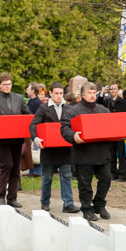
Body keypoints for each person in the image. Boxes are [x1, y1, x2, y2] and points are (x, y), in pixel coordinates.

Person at [61, 82, 114, 221]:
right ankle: (86, 208)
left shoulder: (103, 110)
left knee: (106, 179)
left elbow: (111, 126)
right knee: (85, 184)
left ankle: (99, 204)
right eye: (89, 92)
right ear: (82, 94)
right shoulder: (72, 110)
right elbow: (65, 128)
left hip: (102, 152)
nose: (92, 95)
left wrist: (121, 133)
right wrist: (73, 136)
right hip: (83, 153)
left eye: (94, 92)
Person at [0, 72, 30, 207]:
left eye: (9, 84)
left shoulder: (19, 98)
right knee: (6, 164)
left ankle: (12, 198)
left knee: (15, 167)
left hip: (17, 137)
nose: (7, 87)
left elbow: (27, 114)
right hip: (2, 138)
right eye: (5, 85)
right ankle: (0, 195)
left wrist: (30, 125)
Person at [30, 82, 79, 213]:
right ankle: (45, 201)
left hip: (65, 149)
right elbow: (33, 125)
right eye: (56, 93)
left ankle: (68, 203)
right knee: (48, 177)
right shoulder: (43, 108)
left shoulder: (69, 109)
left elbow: (74, 126)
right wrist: (36, 138)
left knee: (66, 176)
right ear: (50, 93)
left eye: (61, 93)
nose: (58, 96)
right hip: (49, 150)